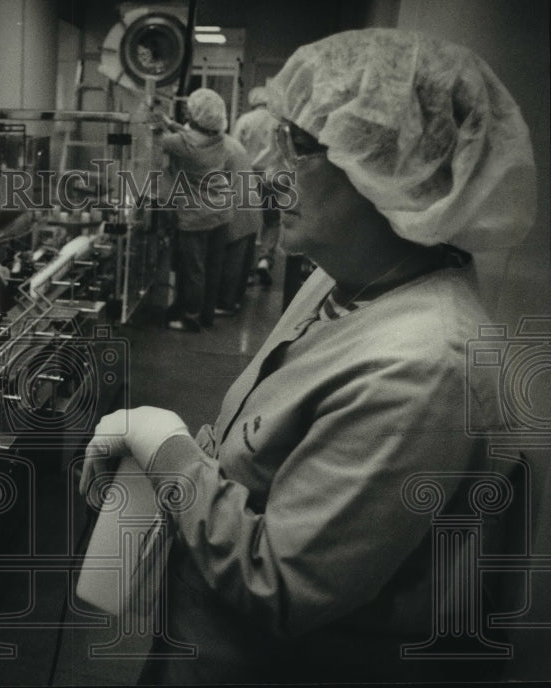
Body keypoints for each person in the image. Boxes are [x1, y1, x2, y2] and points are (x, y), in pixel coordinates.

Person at [81, 28, 536, 684]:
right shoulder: (339, 277)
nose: (269, 168)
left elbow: (280, 581)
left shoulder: (423, 367)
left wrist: (165, 446)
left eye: (298, 146)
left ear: (384, 168)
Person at [152, 88, 251, 331]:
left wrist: (154, 120)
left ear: (196, 114)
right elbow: (191, 135)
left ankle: (190, 318)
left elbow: (159, 141)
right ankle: (206, 316)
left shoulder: (184, 145)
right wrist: (171, 123)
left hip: (196, 218)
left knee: (193, 270)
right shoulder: (219, 137)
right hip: (221, 214)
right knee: (212, 269)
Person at [231, 85, 282, 288]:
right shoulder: (278, 123)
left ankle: (246, 269)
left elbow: (233, 149)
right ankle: (264, 259)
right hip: (270, 176)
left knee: (247, 224)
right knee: (271, 220)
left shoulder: (244, 120)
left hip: (247, 176)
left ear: (253, 100)